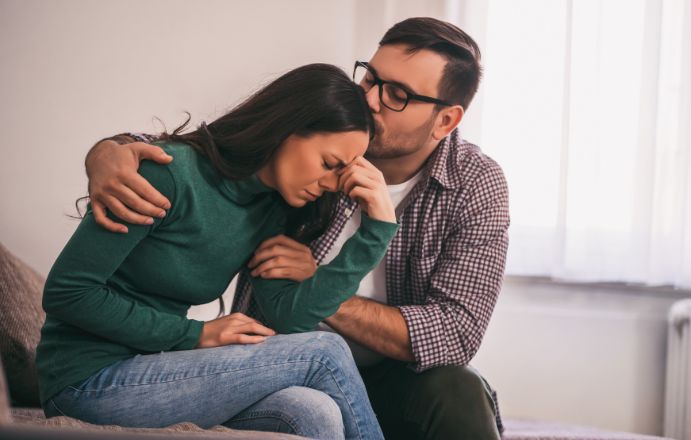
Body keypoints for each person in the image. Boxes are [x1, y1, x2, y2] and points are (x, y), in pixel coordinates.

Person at [85, 17, 509, 440]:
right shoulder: (316, 141)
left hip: (393, 381)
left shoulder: (474, 184)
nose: (372, 101)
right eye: (370, 79)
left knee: (458, 390)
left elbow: (454, 334)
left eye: (397, 95)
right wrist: (109, 151)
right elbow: (214, 149)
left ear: (446, 120)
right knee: (314, 389)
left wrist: (319, 283)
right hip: (274, 364)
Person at [37, 63, 400, 440]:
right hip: (86, 383)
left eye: (339, 176)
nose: (329, 185)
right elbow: (67, 293)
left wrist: (376, 232)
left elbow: (290, 321)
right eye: (328, 164)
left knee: (314, 411)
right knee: (324, 352)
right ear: (286, 129)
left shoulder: (272, 209)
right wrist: (194, 335)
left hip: (158, 371)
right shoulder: (169, 175)